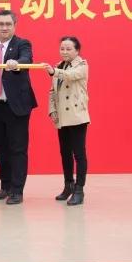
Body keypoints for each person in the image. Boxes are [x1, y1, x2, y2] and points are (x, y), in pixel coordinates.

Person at [0, 10, 37, 205]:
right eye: (0, 24)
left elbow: (27, 60)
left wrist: (17, 63)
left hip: (15, 106)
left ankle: (17, 190)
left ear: (14, 26)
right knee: (0, 149)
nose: (4, 28)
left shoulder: (22, 44)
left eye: (8, 24)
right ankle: (5, 186)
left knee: (17, 149)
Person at [43, 36, 90, 206]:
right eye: (62, 48)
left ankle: (79, 190)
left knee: (79, 154)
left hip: (76, 116)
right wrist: (52, 110)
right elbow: (52, 91)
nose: (64, 52)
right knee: (65, 153)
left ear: (77, 51)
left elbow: (71, 76)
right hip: (62, 117)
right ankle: (68, 185)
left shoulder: (82, 66)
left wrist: (54, 72)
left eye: (69, 49)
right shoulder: (59, 66)